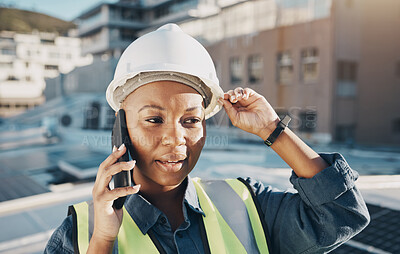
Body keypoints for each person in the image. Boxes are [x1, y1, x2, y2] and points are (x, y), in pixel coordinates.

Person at [44, 24, 370, 254]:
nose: (176, 139)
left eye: (191, 120)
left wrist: (273, 129)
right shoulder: (78, 233)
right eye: (154, 120)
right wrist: (102, 239)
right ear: (121, 126)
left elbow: (342, 213)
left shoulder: (245, 203)